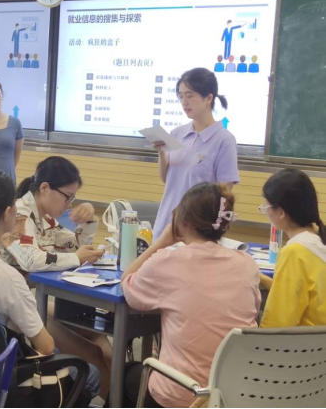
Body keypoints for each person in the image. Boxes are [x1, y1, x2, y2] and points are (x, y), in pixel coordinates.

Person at [0, 169, 100, 400]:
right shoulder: (6, 277)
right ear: (7, 214)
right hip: (2, 379)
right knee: (91, 374)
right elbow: (46, 347)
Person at [122, 183, 261, 408]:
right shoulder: (247, 264)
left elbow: (128, 285)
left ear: (182, 222)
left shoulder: (168, 261)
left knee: (126, 373)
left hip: (183, 394)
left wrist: (161, 243)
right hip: (232, 396)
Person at [1, 156, 112, 398]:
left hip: (34, 298)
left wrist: (89, 221)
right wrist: (77, 258)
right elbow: (30, 259)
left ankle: (115, 398)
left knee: (104, 345)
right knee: (95, 353)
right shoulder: (20, 212)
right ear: (44, 188)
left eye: (73, 198)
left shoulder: (45, 217)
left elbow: (74, 247)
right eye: (67, 197)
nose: (70, 204)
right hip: (15, 307)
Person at [152, 68, 240, 240]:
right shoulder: (177, 133)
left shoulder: (224, 140)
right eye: (181, 96)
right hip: (166, 224)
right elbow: (166, 179)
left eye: (190, 95)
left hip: (196, 231)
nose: (184, 102)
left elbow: (224, 194)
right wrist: (161, 153)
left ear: (208, 98)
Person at [259, 168, 326, 327]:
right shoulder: (317, 240)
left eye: (265, 207)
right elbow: (299, 291)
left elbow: (277, 324)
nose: (264, 211)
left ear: (281, 212)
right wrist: (260, 277)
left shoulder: (294, 252)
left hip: (305, 341)